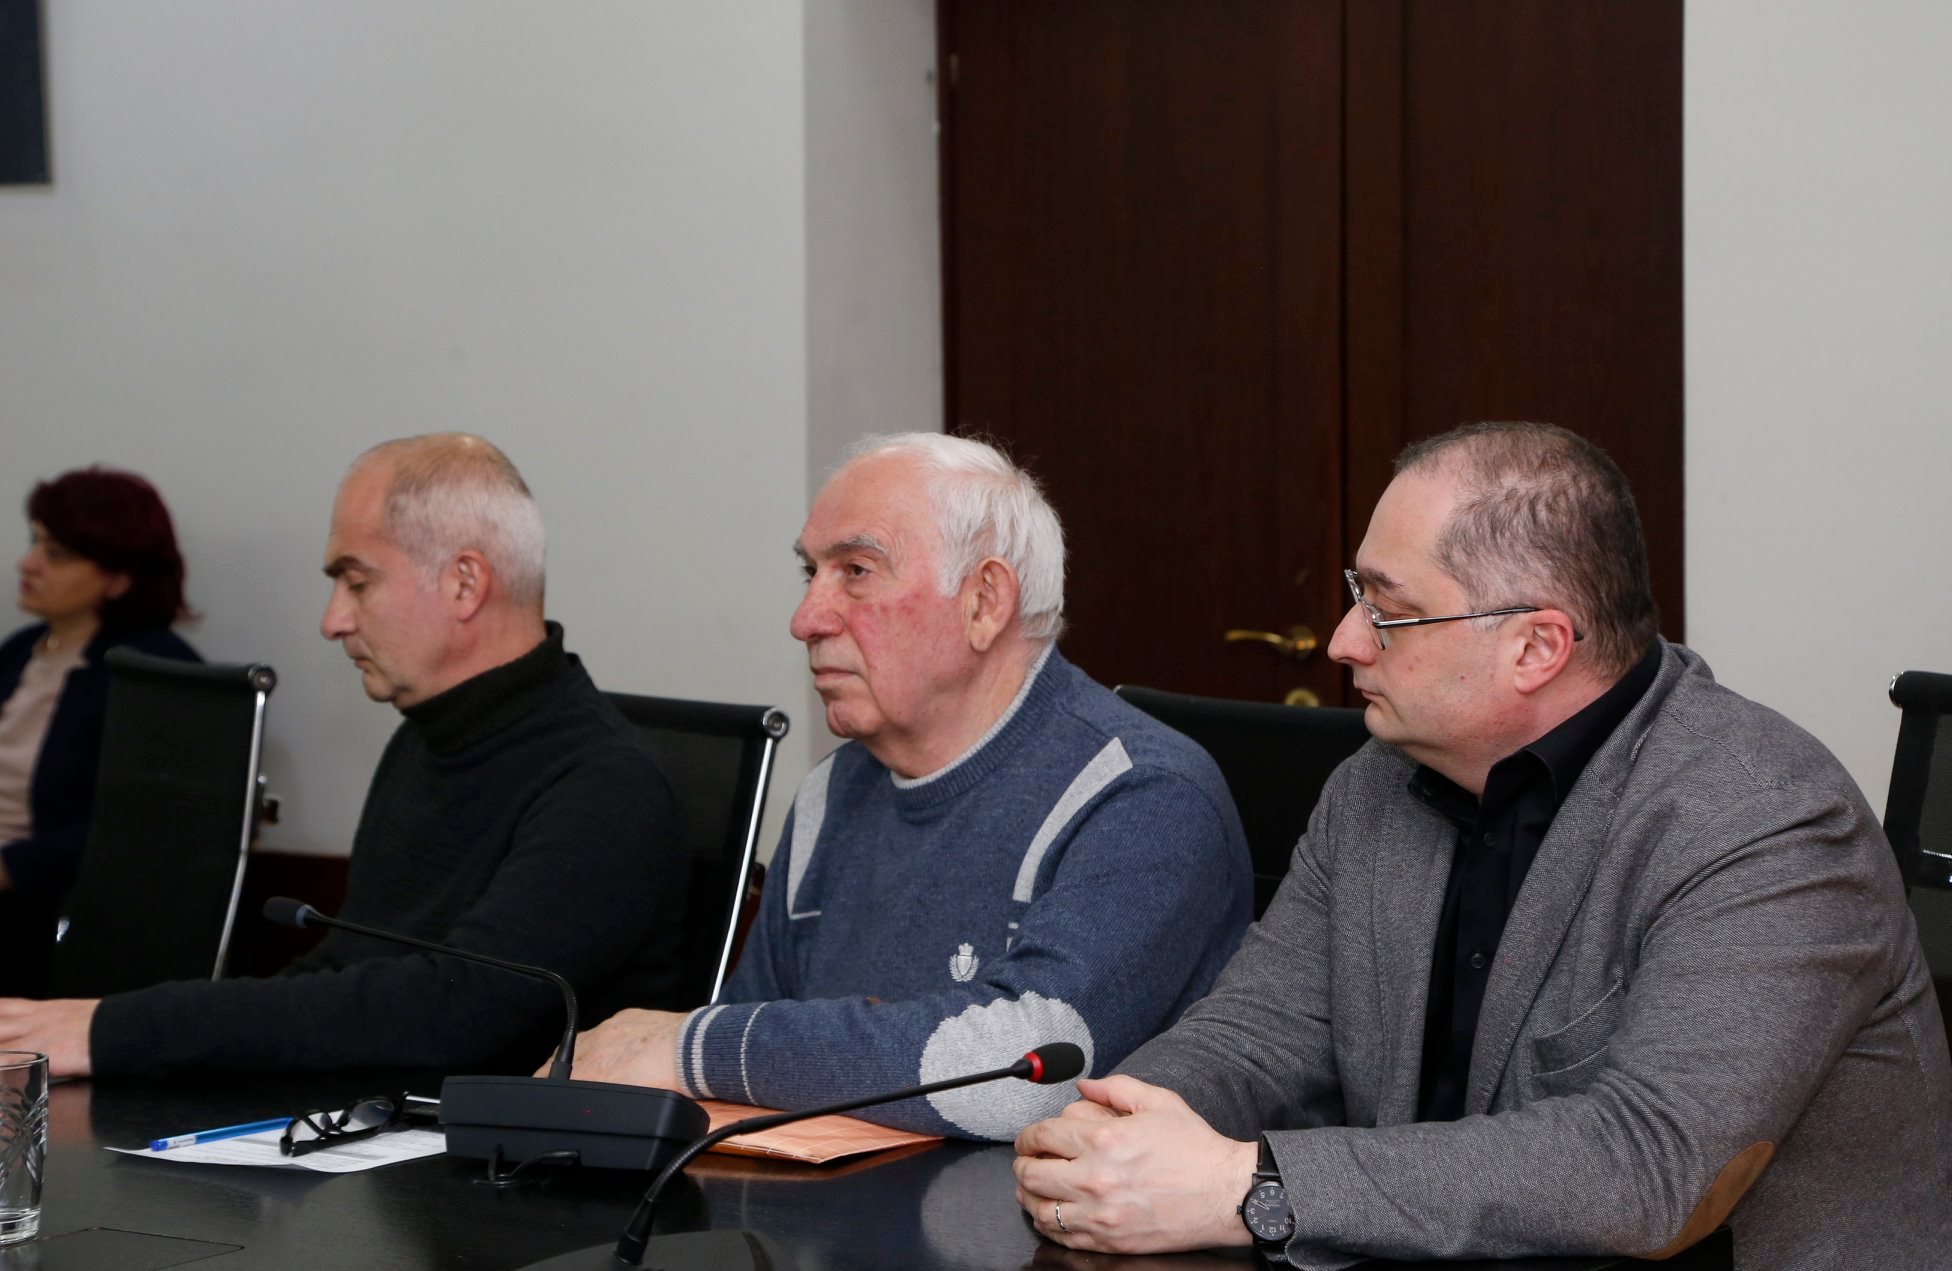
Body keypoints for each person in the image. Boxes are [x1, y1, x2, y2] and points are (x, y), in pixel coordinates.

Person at [1013, 422, 1952, 1269]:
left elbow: (1648, 1165)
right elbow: (1256, 1034)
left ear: (1537, 647)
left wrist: (1248, 1186)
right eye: (1357, 593)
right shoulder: (1377, 783)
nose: (1343, 640)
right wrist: (1116, 1134)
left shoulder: (1765, 818)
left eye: (1387, 609)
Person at [563, 433, 1252, 1140]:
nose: (806, 619)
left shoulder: (1143, 796)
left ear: (984, 602)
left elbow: (1019, 1074)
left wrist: (694, 1047)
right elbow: (746, 1058)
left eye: (856, 571)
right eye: (810, 573)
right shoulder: (832, 792)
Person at [0, 434, 689, 1076]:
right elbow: (346, 970)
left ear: (465, 583)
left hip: (508, 1159)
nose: (333, 620)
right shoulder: (427, 737)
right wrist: (122, 1034)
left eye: (357, 582)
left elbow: (452, 1013)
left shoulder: (606, 786)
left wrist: (114, 1031)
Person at [0, 468, 200, 997]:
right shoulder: (18, 650)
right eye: (34, 542)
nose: (28, 563)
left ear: (118, 577)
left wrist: (9, 867)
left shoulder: (156, 670)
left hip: (51, 912)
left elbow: (142, 825)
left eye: (56, 553)